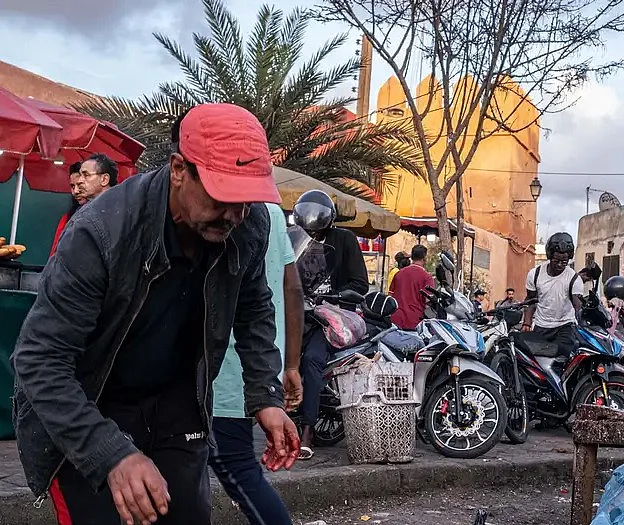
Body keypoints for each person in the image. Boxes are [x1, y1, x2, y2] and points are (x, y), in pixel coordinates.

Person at [13, 103, 300, 525]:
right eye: (224, 198)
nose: (236, 216)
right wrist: (111, 453)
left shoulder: (248, 224)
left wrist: (264, 396)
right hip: (91, 401)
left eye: (246, 201)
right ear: (179, 169)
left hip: (178, 403)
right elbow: (39, 359)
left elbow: (254, 306)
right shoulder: (101, 232)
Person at [209, 203, 304, 525]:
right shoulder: (273, 213)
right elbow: (292, 288)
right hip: (262, 362)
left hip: (227, 369)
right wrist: (290, 365)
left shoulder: (215, 208)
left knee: (234, 465)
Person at [291, 190, 368, 460]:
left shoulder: (344, 240)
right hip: (298, 311)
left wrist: (334, 296)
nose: (313, 235)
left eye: (318, 230)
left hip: (329, 317)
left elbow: (360, 283)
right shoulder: (293, 240)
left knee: (312, 359)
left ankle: (307, 431)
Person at [522, 232, 584, 358]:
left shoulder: (574, 279)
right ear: (550, 257)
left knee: (560, 361)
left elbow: (578, 305)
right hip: (541, 326)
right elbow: (531, 301)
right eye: (556, 261)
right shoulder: (535, 275)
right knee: (538, 363)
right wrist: (527, 323)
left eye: (564, 261)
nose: (560, 265)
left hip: (565, 327)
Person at [50, 155, 119, 256]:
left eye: (86, 175)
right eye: (73, 186)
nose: (80, 181)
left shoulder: (118, 214)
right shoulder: (78, 215)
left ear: (104, 179)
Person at [390, 244, 435, 330]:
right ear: (424, 258)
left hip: (395, 320)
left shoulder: (398, 274)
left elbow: (390, 297)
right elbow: (428, 301)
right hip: (415, 321)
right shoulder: (427, 277)